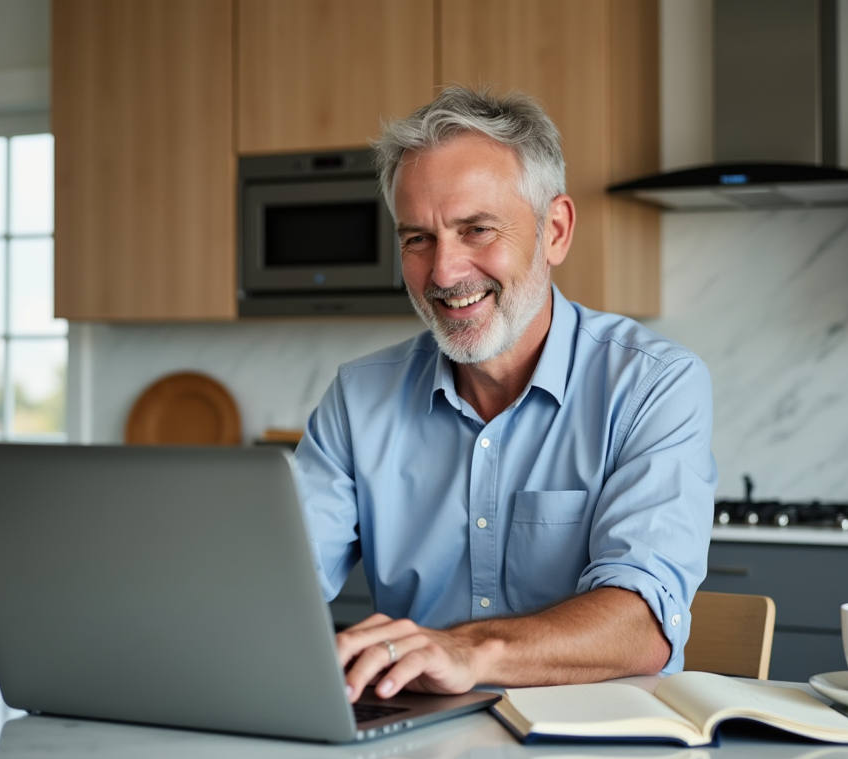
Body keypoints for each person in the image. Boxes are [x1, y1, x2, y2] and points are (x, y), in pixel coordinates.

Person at [294, 86, 716, 703]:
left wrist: (468, 652)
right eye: (418, 239)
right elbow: (274, 586)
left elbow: (643, 625)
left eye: (477, 229)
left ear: (555, 231)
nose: (444, 272)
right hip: (417, 738)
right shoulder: (358, 399)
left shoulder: (653, 384)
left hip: (598, 743)